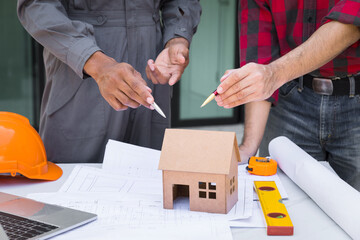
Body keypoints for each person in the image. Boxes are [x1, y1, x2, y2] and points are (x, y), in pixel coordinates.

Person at [17, 0, 201, 163]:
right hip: (83, 69)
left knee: (148, 182)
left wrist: (178, 37)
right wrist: (96, 63)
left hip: (151, 66)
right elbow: (36, 4)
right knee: (75, 185)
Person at [215, 0, 360, 190]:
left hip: (355, 99)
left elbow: (351, 23)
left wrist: (272, 75)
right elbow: (260, 55)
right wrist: (248, 148)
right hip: (291, 97)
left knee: (353, 210)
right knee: (279, 203)